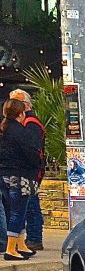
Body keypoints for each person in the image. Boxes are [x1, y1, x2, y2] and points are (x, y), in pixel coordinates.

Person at [0, 98, 42, 260]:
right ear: (21, 113)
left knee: (12, 210)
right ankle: (11, 248)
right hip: (21, 175)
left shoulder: (3, 129)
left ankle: (21, 244)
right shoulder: (21, 131)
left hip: (3, 174)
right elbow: (32, 153)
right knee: (19, 211)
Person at [9, 89, 46, 250]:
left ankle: (35, 238)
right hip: (24, 170)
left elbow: (32, 148)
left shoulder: (30, 123)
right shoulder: (21, 123)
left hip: (29, 171)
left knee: (30, 204)